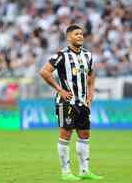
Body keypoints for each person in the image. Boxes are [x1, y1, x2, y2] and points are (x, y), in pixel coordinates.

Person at [39, 24, 103, 181]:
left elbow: (92, 74)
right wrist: (59, 90)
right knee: (65, 134)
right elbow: (44, 72)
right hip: (66, 101)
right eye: (76, 34)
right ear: (69, 37)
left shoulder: (88, 56)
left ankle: (84, 171)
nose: (80, 36)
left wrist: (91, 92)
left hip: (82, 102)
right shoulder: (61, 55)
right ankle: (66, 172)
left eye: (81, 34)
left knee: (85, 135)